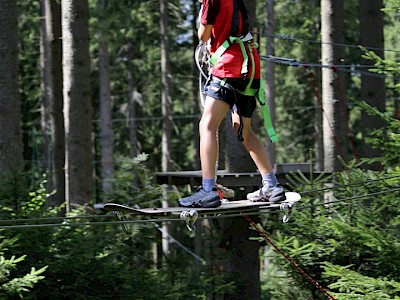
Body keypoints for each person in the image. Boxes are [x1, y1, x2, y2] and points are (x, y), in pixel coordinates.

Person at [178, 0, 285, 208]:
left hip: (229, 67)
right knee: (243, 131)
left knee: (207, 126)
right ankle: (271, 185)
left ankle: (208, 191)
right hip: (249, 65)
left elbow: (204, 35)